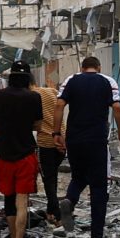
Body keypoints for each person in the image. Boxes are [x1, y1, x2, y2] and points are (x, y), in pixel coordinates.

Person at [57, 54, 120, 238]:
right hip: (97, 140)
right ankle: (96, 235)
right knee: (99, 186)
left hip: (74, 140)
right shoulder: (108, 81)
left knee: (78, 177)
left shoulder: (71, 80)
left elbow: (59, 104)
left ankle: (70, 201)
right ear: (98, 68)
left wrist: (57, 133)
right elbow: (117, 109)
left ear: (82, 68)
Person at [0, 63, 46, 238]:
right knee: (22, 202)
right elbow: (37, 125)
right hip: (26, 155)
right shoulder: (34, 97)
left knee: (9, 201)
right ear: (28, 78)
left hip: (4, 155)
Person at [35, 76, 67, 226]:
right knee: (52, 177)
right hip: (61, 139)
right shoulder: (51, 91)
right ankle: (51, 212)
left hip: (46, 142)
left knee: (48, 180)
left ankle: (59, 216)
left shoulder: (31, 97)